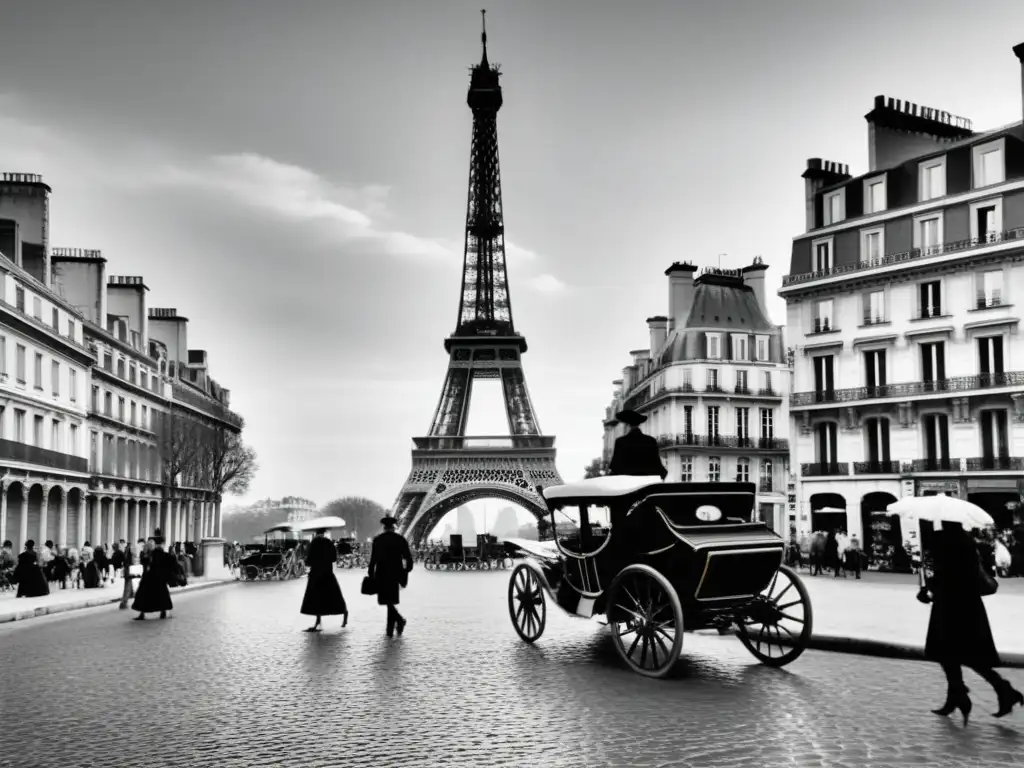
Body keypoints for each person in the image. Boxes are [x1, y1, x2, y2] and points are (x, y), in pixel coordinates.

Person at [917, 522, 1023, 723]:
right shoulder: (966, 542)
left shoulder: (948, 543)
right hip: (966, 606)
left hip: (952, 605)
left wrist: (929, 588)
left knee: (954, 652)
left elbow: (950, 576)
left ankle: (993, 691)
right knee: (954, 653)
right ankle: (960, 696)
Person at [368, 516, 414, 637]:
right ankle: (397, 622)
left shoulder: (378, 540)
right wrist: (407, 570)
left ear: (384, 527)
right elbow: (408, 557)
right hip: (395, 572)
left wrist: (370, 571)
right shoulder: (400, 539)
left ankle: (393, 626)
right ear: (394, 527)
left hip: (382, 572)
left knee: (387, 600)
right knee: (390, 599)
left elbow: (373, 558)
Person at [300, 528, 348, 632]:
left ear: (316, 533)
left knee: (316, 597)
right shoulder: (328, 542)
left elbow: (309, 559)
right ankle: (344, 614)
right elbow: (334, 558)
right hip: (327, 572)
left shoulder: (314, 542)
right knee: (334, 595)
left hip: (316, 573)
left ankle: (318, 621)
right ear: (324, 533)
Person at [607, 409, 667, 480]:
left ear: (627, 425)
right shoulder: (651, 441)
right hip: (647, 486)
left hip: (627, 485)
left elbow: (615, 469)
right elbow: (659, 470)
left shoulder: (621, 442)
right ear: (639, 424)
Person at [131, 530, 174, 621]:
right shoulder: (150, 553)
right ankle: (156, 612)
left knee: (151, 595)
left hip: (154, 577)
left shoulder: (156, 553)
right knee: (150, 595)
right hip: (152, 577)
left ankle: (157, 612)